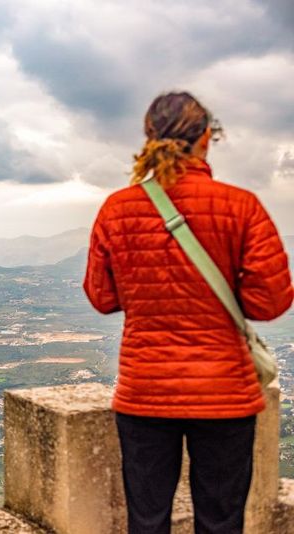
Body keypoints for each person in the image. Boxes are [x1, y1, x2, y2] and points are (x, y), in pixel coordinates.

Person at [83, 91, 293, 534]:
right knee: (221, 522)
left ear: (149, 138)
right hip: (224, 394)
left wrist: (149, 291)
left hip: (145, 391)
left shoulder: (117, 209)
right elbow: (270, 302)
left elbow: (102, 297)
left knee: (147, 520)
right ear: (206, 139)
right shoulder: (242, 207)